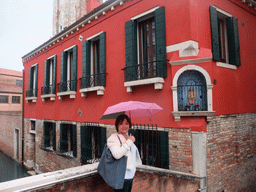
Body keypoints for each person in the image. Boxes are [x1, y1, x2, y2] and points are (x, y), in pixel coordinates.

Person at [107, 114, 142, 192]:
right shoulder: (113, 138)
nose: (124, 126)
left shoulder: (128, 137)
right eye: (121, 123)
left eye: (126, 123)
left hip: (130, 176)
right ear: (117, 125)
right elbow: (116, 154)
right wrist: (130, 141)